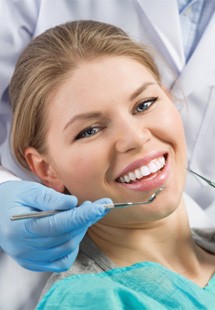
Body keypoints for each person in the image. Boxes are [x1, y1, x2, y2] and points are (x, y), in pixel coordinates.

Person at [0, 0, 215, 309]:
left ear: (169, 98)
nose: (135, 138)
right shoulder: (95, 300)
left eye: (144, 104)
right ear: (46, 168)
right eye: (89, 130)